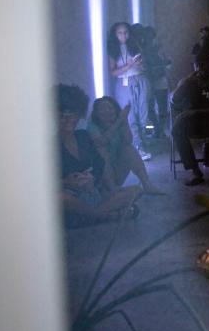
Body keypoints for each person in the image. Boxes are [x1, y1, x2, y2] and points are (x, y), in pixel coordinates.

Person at [56, 84, 140, 226]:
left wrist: (92, 179)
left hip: (93, 193)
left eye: (73, 114)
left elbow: (99, 164)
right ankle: (102, 215)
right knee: (60, 198)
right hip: (71, 199)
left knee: (136, 190)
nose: (69, 119)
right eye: (63, 115)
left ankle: (94, 216)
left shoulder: (82, 136)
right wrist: (67, 182)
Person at [171, 54, 209, 186]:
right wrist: (185, 83)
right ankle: (195, 170)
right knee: (176, 128)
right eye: (198, 64)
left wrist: (195, 112)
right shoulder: (187, 82)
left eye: (204, 64)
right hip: (193, 122)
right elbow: (174, 100)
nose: (201, 67)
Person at [88, 97, 164, 195]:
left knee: (129, 149)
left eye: (110, 108)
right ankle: (112, 189)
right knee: (101, 150)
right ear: (96, 113)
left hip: (116, 171)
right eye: (102, 108)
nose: (107, 111)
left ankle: (147, 184)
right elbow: (101, 142)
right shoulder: (92, 126)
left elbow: (128, 140)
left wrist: (124, 121)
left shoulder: (119, 123)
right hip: (99, 177)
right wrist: (120, 121)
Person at [107, 22, 152, 161]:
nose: (123, 35)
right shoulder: (113, 49)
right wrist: (129, 65)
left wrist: (140, 64)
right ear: (115, 34)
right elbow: (113, 72)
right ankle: (138, 146)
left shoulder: (135, 45)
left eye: (125, 32)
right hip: (124, 83)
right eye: (120, 33)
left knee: (144, 113)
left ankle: (146, 140)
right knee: (130, 115)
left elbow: (144, 65)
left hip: (140, 79)